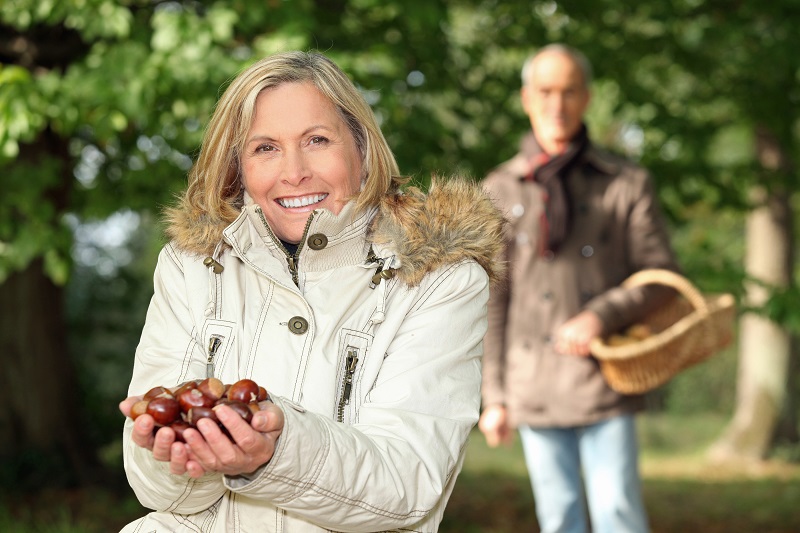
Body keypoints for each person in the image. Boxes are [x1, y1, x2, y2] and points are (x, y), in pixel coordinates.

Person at [118, 50, 504, 533]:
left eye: (317, 140)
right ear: (238, 166)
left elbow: (407, 482)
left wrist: (275, 451)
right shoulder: (193, 267)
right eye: (265, 148)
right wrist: (176, 452)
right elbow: (157, 492)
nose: (294, 171)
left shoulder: (438, 277)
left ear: (362, 149)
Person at [478, 44, 680, 533]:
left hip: (606, 376)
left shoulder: (626, 182)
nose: (557, 104)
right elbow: (491, 301)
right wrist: (494, 396)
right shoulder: (500, 189)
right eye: (546, 91)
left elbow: (661, 277)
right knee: (559, 516)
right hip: (533, 380)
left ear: (587, 98)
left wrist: (601, 316)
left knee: (618, 512)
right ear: (527, 98)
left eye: (569, 91)